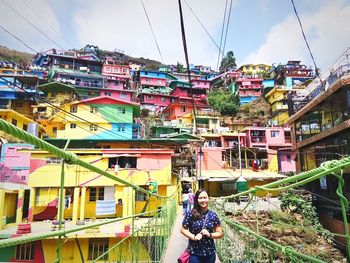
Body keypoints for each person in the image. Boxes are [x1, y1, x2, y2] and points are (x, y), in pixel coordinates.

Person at [180, 189, 223, 263]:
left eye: (205, 197)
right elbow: (183, 229)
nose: (203, 200)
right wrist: (194, 237)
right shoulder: (191, 214)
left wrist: (210, 234)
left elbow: (220, 233)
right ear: (196, 199)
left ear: (208, 198)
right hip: (194, 253)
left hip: (210, 253)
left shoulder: (213, 215)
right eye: (200, 198)